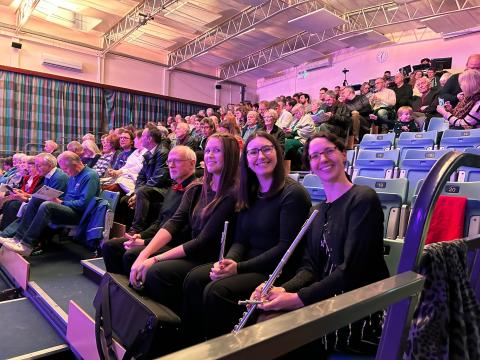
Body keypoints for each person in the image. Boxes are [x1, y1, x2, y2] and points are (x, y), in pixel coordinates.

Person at [249, 132, 389, 354]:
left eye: (329, 151)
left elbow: (352, 270)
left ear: (343, 155)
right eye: (315, 156)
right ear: (310, 166)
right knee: (266, 318)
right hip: (326, 299)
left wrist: (296, 299)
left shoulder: (363, 198)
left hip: (359, 306)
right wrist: (280, 289)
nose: (322, 159)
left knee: (274, 329)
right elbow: (310, 267)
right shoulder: (317, 211)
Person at [182, 131, 311, 343]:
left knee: (217, 291)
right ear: (246, 160)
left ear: (277, 153)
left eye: (266, 149)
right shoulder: (250, 191)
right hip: (248, 264)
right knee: (195, 279)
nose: (260, 156)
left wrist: (238, 268)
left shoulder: (293, 194)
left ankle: (222, 350)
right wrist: (228, 261)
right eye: (253, 152)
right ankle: (192, 345)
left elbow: (285, 248)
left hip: (275, 271)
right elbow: (240, 240)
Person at [128, 133, 239, 313]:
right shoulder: (198, 187)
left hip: (209, 257)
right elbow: (174, 222)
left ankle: (170, 325)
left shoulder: (232, 193)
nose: (210, 155)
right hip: (195, 251)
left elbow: (202, 241)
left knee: (156, 271)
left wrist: (153, 258)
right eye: (208, 150)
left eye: (217, 151)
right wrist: (144, 254)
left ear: (231, 155)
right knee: (135, 257)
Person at [102, 146, 197, 275]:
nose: (171, 165)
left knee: (131, 254)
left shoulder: (196, 191)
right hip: (157, 239)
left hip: (174, 244)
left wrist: (146, 242)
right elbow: (159, 222)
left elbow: (183, 231)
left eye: (177, 160)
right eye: (169, 161)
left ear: (192, 163)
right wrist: (141, 235)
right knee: (110, 246)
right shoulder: (173, 188)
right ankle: (114, 289)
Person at [0, 152, 100, 256]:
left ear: (75, 165)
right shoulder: (73, 174)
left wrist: (61, 202)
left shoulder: (90, 175)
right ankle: (17, 238)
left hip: (80, 214)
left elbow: (84, 204)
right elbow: (68, 197)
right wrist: (58, 200)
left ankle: (27, 245)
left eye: (65, 169)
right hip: (69, 208)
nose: (65, 172)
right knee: (36, 200)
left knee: (47, 205)